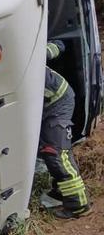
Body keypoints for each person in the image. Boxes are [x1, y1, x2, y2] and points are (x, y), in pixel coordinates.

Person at [39, 40, 91, 219]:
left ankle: (78, 205)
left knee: (56, 153)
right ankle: (61, 191)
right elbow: (57, 46)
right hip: (51, 102)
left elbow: (58, 45)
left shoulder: (23, 54)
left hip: (58, 101)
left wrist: (49, 48)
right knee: (52, 153)